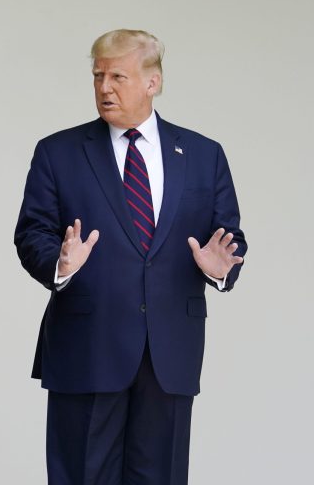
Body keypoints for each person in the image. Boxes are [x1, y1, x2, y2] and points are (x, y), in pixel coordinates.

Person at [14, 29, 248, 484]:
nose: (104, 87)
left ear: (152, 82)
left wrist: (222, 269)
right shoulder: (58, 152)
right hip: (86, 349)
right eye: (98, 76)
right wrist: (59, 265)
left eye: (117, 76)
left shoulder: (203, 155)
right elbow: (32, 232)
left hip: (170, 357)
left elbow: (229, 236)